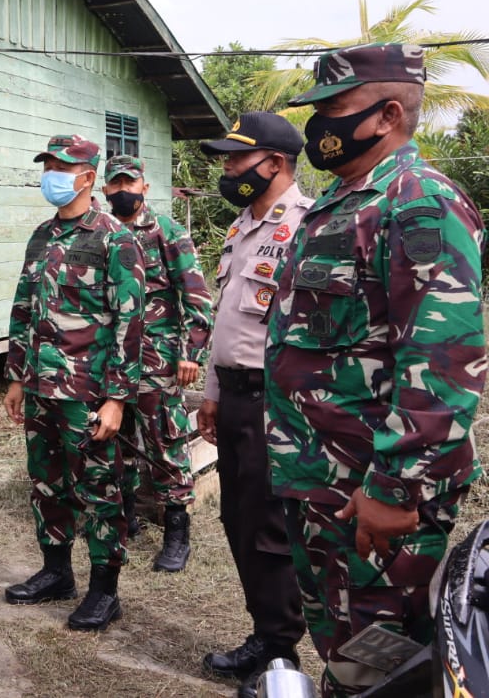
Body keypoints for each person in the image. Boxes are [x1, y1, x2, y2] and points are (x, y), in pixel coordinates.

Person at [266, 43, 486, 697]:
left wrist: (395, 488)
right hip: (322, 480)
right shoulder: (342, 202)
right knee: (346, 647)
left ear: (389, 114)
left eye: (333, 109)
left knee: (381, 661)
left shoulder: (419, 202)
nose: (318, 124)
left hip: (373, 489)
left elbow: (444, 361)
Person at [2, 134, 145, 631]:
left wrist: (117, 399)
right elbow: (24, 309)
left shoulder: (113, 237)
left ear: (87, 176)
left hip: (87, 392)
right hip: (41, 387)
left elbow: (130, 321)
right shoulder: (41, 235)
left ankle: (105, 591)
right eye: (48, 165)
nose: (52, 175)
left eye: (62, 166)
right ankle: (56, 572)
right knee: (47, 483)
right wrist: (17, 376)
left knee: (99, 488)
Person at [197, 112, 311, 698]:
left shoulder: (306, 225)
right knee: (238, 518)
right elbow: (228, 323)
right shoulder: (243, 226)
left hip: (277, 401)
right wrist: (213, 396)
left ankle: (280, 645)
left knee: (269, 525)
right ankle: (268, 631)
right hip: (236, 396)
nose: (227, 168)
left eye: (237, 159)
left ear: (275, 163)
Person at [101, 154, 213, 573]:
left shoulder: (166, 231)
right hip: (110, 364)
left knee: (165, 445)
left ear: (144, 186)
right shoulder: (103, 231)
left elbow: (197, 297)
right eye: (115, 184)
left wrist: (191, 352)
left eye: (130, 182)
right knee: (118, 444)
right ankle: (126, 520)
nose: (123, 190)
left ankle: (177, 532)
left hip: (157, 361)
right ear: (105, 189)